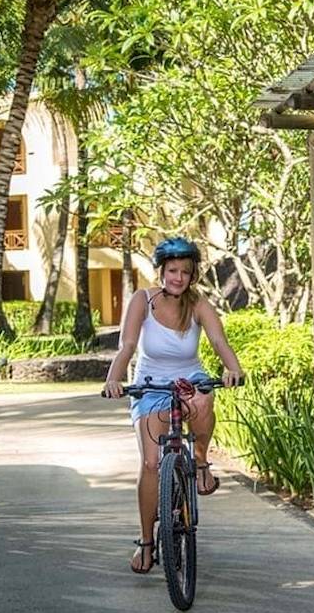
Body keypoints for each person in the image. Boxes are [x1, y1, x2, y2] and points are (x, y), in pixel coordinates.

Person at [101, 236, 244, 574]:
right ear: (161, 271)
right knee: (151, 463)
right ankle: (147, 541)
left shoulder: (198, 304)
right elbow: (128, 345)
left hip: (188, 379)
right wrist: (113, 378)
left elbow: (218, 340)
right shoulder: (142, 300)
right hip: (150, 385)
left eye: (185, 272)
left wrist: (233, 369)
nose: (178, 277)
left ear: (193, 275)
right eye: (172, 270)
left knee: (203, 398)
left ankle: (200, 461)